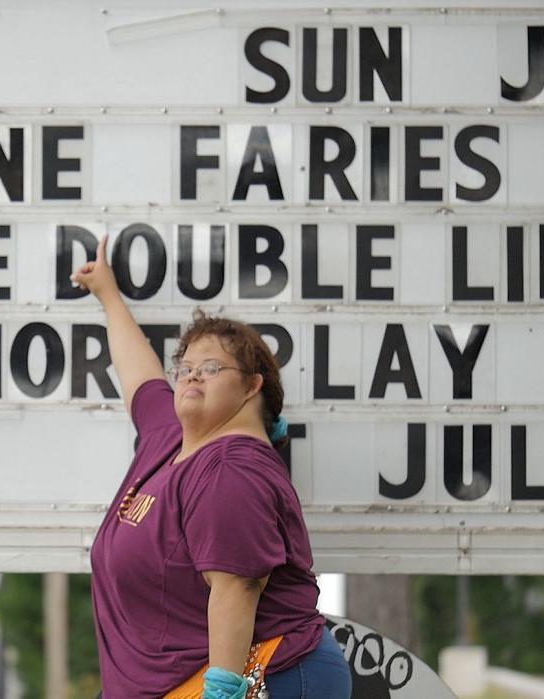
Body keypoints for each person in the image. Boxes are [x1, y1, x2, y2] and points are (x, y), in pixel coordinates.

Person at [72, 234, 353, 699]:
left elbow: (238, 587)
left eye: (211, 368)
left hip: (268, 677)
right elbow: (138, 372)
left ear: (251, 387)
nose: (191, 374)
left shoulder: (232, 465)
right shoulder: (169, 439)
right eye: (184, 367)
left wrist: (222, 693)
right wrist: (108, 294)